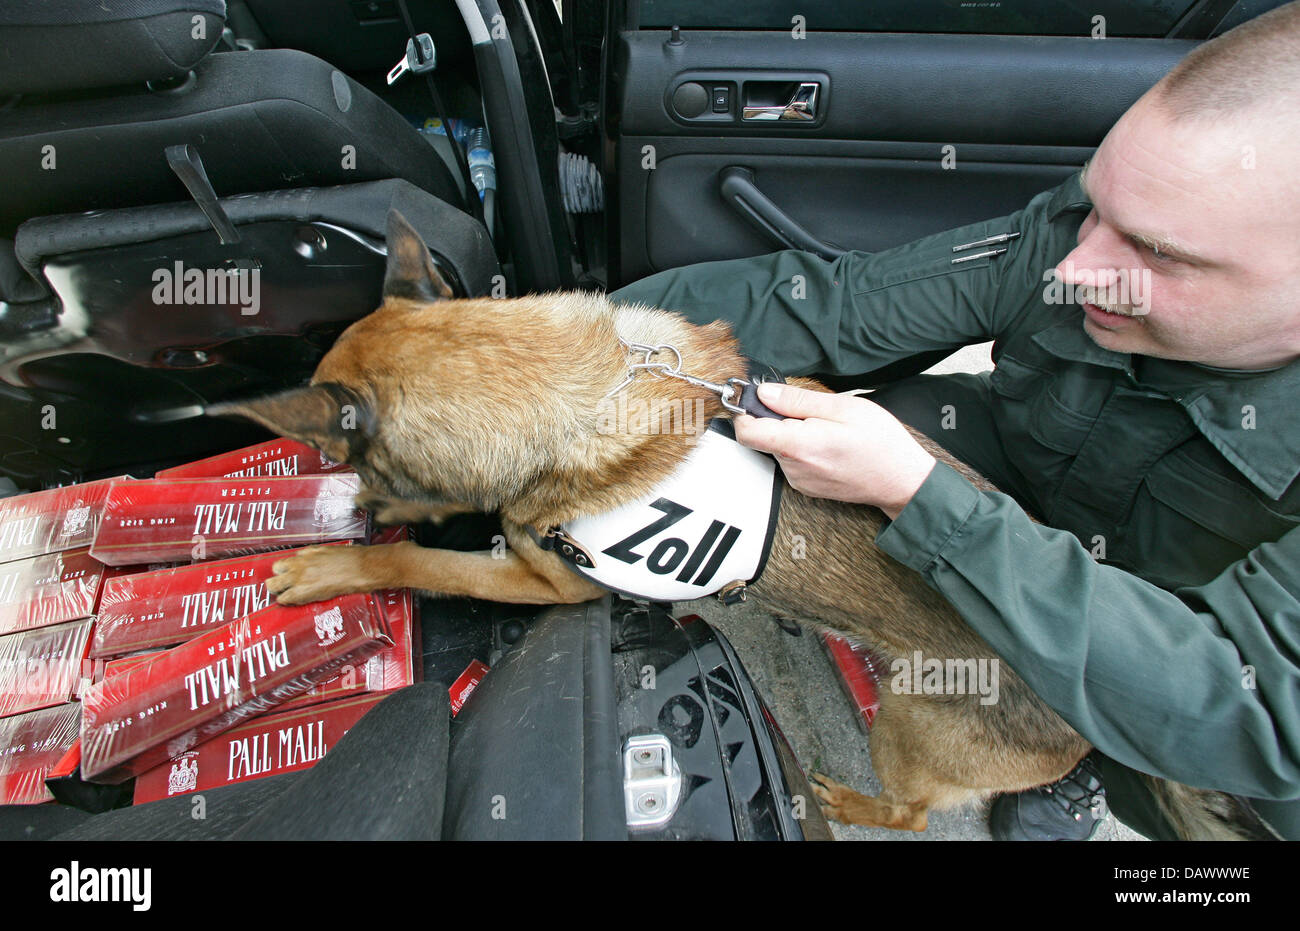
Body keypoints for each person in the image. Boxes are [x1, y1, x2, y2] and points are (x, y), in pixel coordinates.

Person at [609, 3, 1300, 840]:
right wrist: (585, 340)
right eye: (1094, 206)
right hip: (1024, 482)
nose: (1079, 269)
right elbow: (843, 306)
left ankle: (1088, 772)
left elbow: (1245, 709)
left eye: (1157, 254)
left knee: (1203, 809)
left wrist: (922, 497)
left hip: (1207, 699)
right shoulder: (1086, 241)